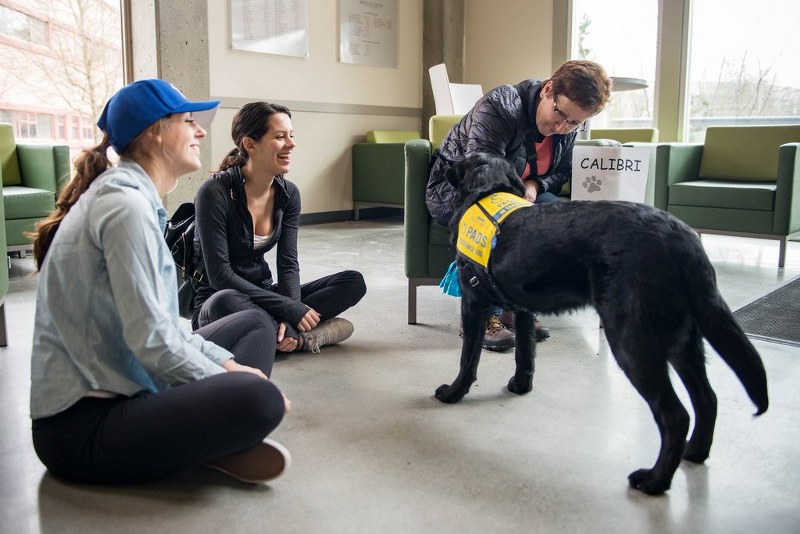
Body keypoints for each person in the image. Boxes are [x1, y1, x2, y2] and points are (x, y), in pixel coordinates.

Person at [29, 79, 291, 486]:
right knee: (259, 398)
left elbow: (163, 326)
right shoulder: (125, 208)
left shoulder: (133, 200)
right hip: (80, 428)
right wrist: (229, 382)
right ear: (155, 131)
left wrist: (228, 365)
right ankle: (212, 438)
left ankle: (203, 438)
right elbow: (153, 342)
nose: (200, 132)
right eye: (189, 122)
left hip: (129, 389)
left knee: (254, 324)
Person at [426, 60, 612, 351]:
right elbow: (481, 170)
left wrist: (535, 185)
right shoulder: (500, 105)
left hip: (521, 193)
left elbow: (562, 172)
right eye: (560, 114)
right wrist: (516, 200)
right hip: (460, 190)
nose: (562, 127)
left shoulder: (568, 127)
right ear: (548, 89)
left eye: (575, 123)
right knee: (506, 226)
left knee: (558, 223)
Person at [192, 102, 366, 355]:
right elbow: (220, 276)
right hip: (219, 301)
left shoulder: (288, 194)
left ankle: (282, 334)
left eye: (291, 135)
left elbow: (288, 264)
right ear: (250, 144)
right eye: (280, 137)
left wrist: (291, 312)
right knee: (225, 300)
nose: (291, 144)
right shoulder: (214, 192)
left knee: (353, 281)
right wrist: (289, 309)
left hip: (265, 295)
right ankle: (305, 338)